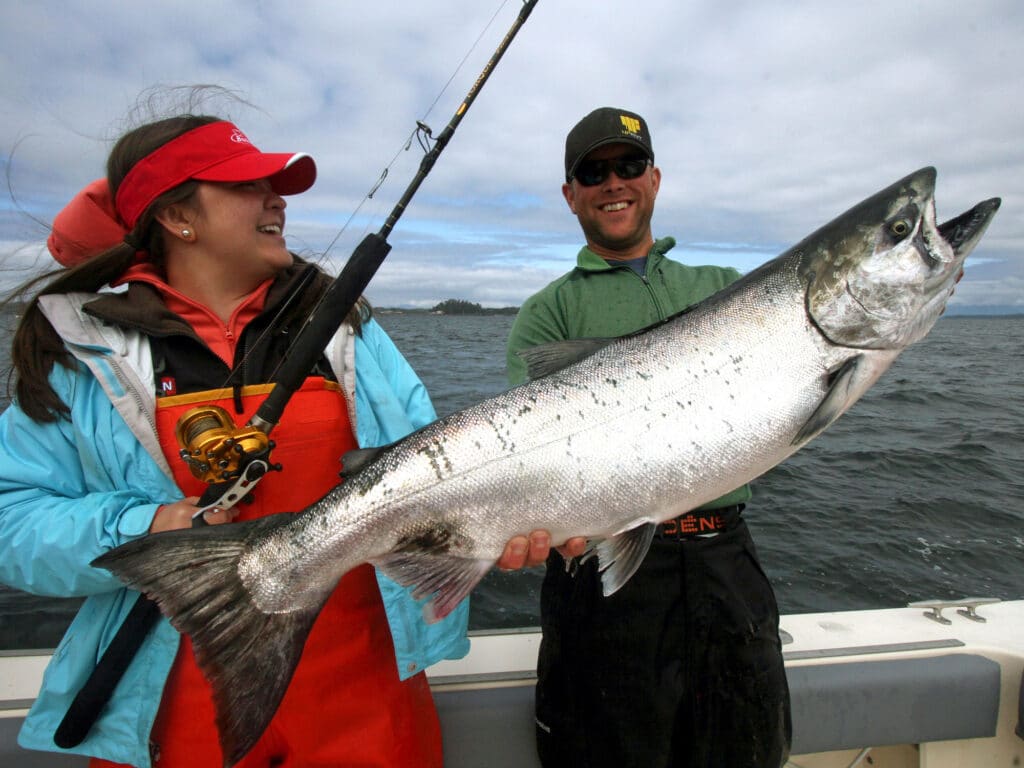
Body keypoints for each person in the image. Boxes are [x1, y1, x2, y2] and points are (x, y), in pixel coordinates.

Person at [0, 112, 546, 768]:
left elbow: (441, 474)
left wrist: (494, 531)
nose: (276, 198)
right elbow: (11, 520)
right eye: (246, 184)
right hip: (178, 725)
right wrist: (147, 523)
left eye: (274, 183)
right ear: (178, 218)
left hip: (367, 705)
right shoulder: (83, 359)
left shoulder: (351, 334)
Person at [506, 107, 792, 768]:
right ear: (570, 193)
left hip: (725, 568)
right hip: (601, 581)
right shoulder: (548, 311)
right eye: (593, 171)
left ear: (655, 179)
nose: (614, 183)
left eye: (629, 166)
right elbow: (531, 446)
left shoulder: (725, 290)